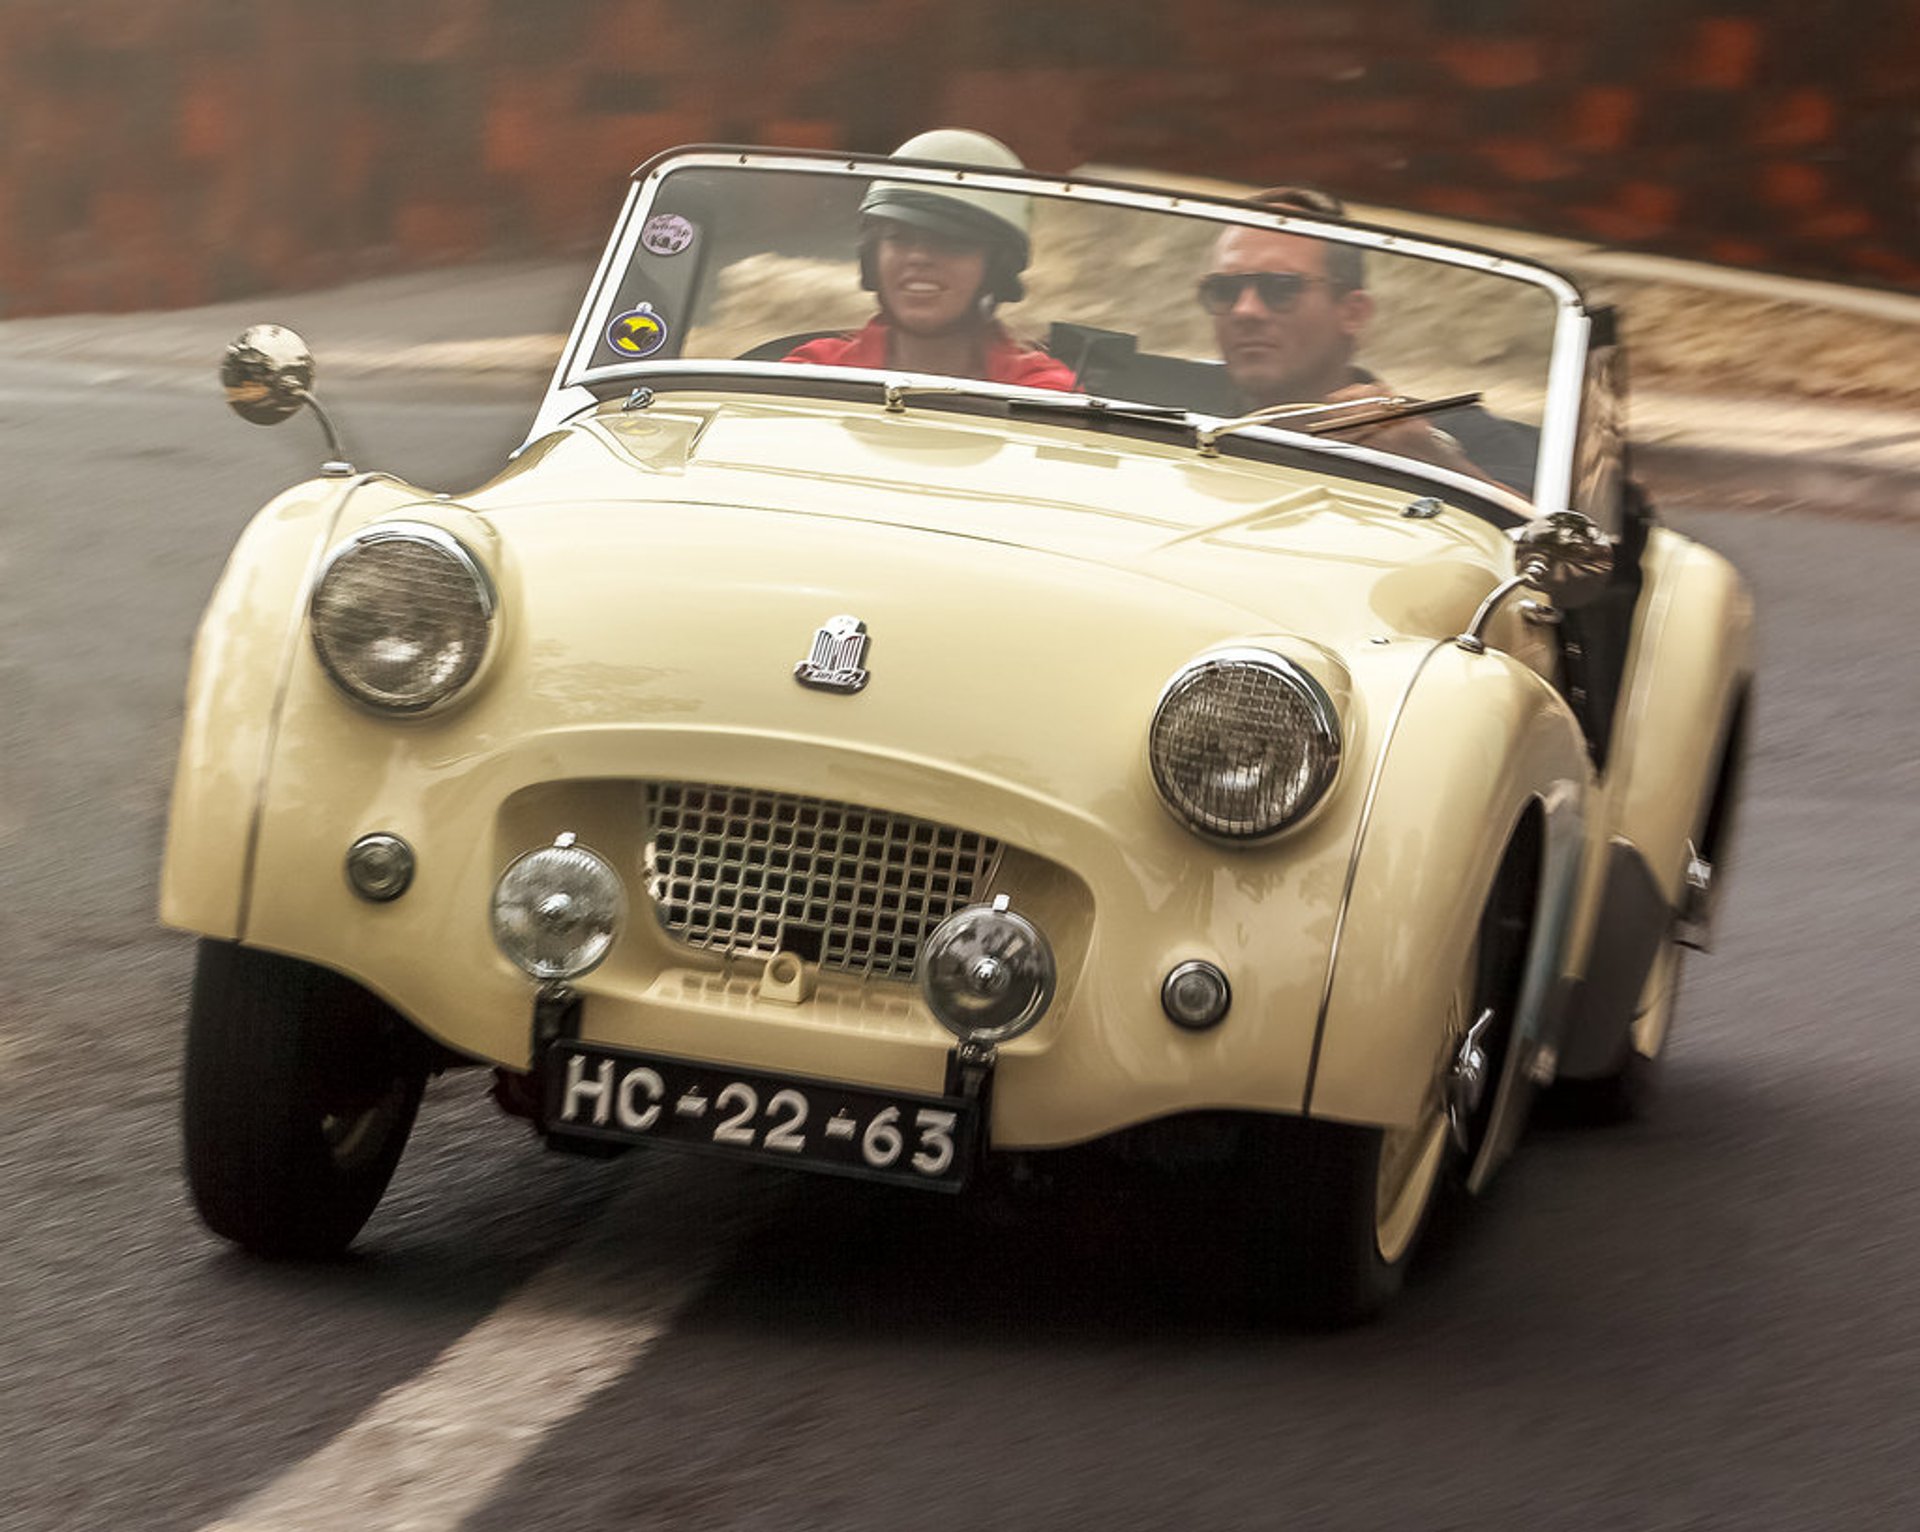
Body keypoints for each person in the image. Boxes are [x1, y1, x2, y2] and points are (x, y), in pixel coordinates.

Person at [1201, 186, 1538, 493]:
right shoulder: (1179, 419)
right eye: (1224, 290)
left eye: (1280, 288)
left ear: (1352, 312)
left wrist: (1433, 462)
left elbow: (1542, 536)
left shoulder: (1457, 433)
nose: (1245, 310)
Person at [784, 129, 1077, 391]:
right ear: (872, 256)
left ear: (997, 266)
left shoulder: (1043, 395)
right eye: (899, 236)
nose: (919, 257)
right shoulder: (815, 374)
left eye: (950, 242)